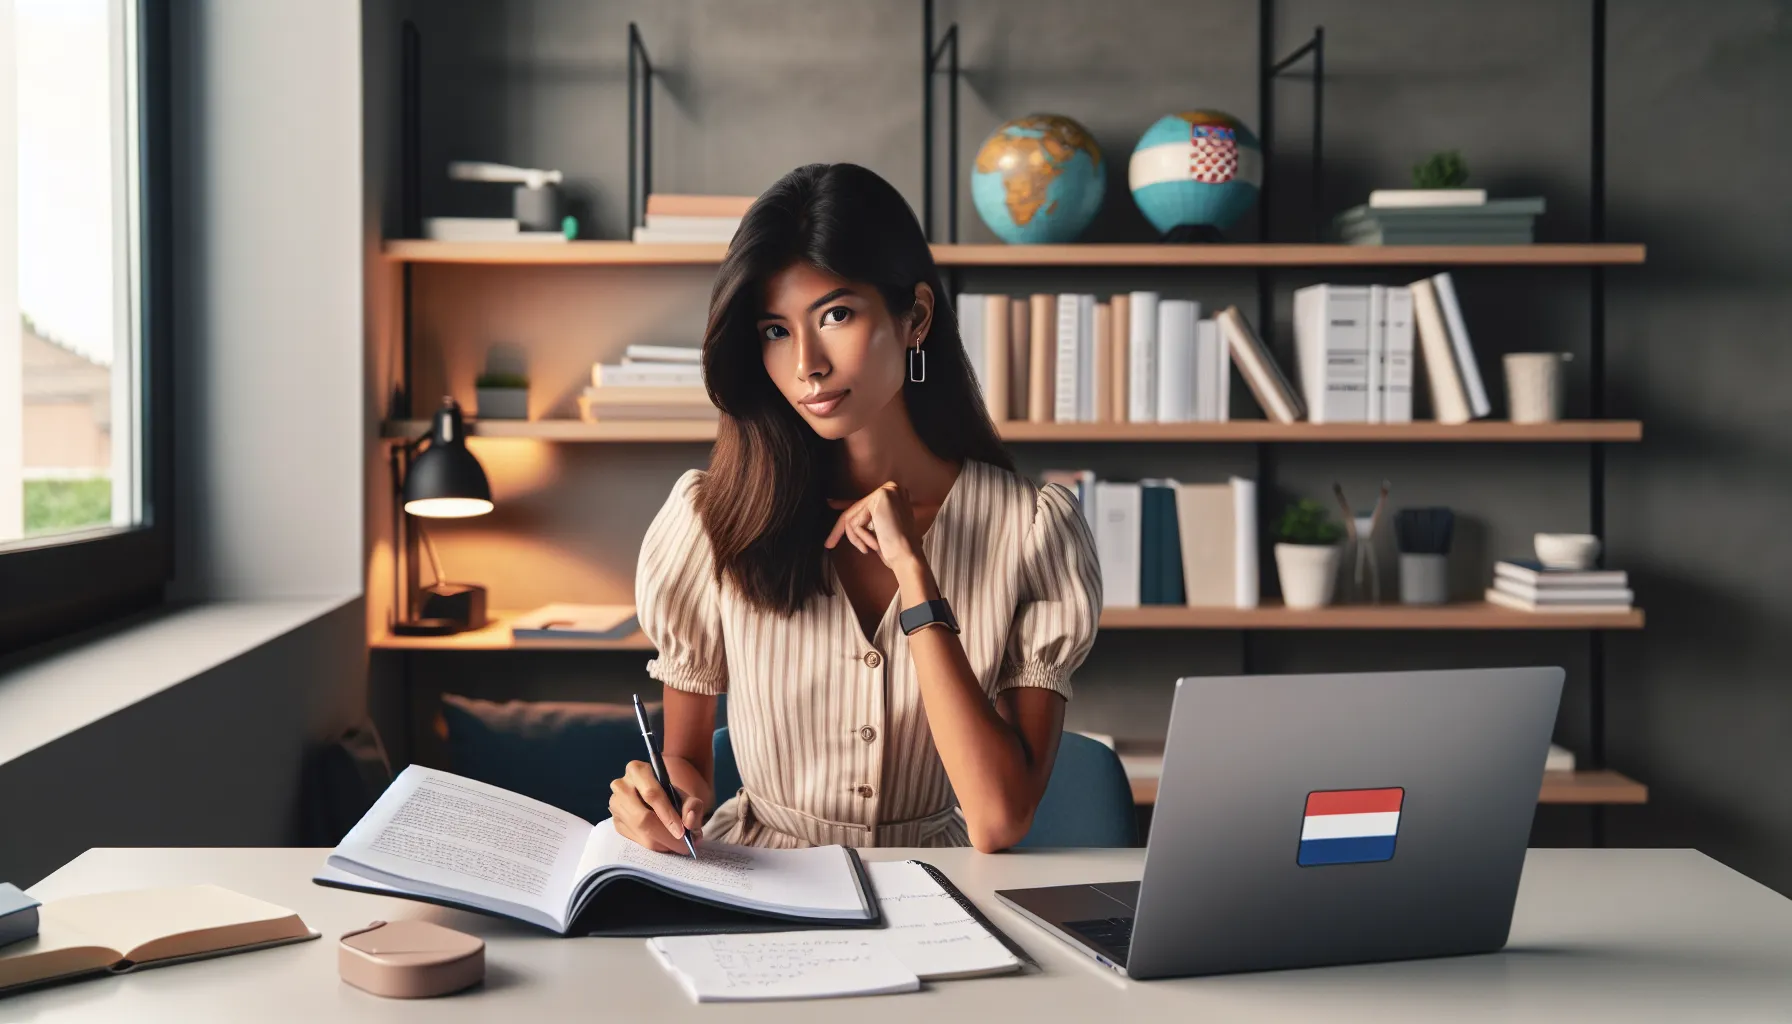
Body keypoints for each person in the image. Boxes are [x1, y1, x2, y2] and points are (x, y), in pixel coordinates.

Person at [608, 163, 1101, 853]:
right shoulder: (711, 519)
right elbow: (687, 765)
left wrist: (914, 573)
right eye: (776, 331)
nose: (806, 364)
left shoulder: (1031, 531)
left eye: (836, 315)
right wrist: (663, 802)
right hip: (762, 885)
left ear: (915, 317)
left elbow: (998, 819)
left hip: (937, 888)